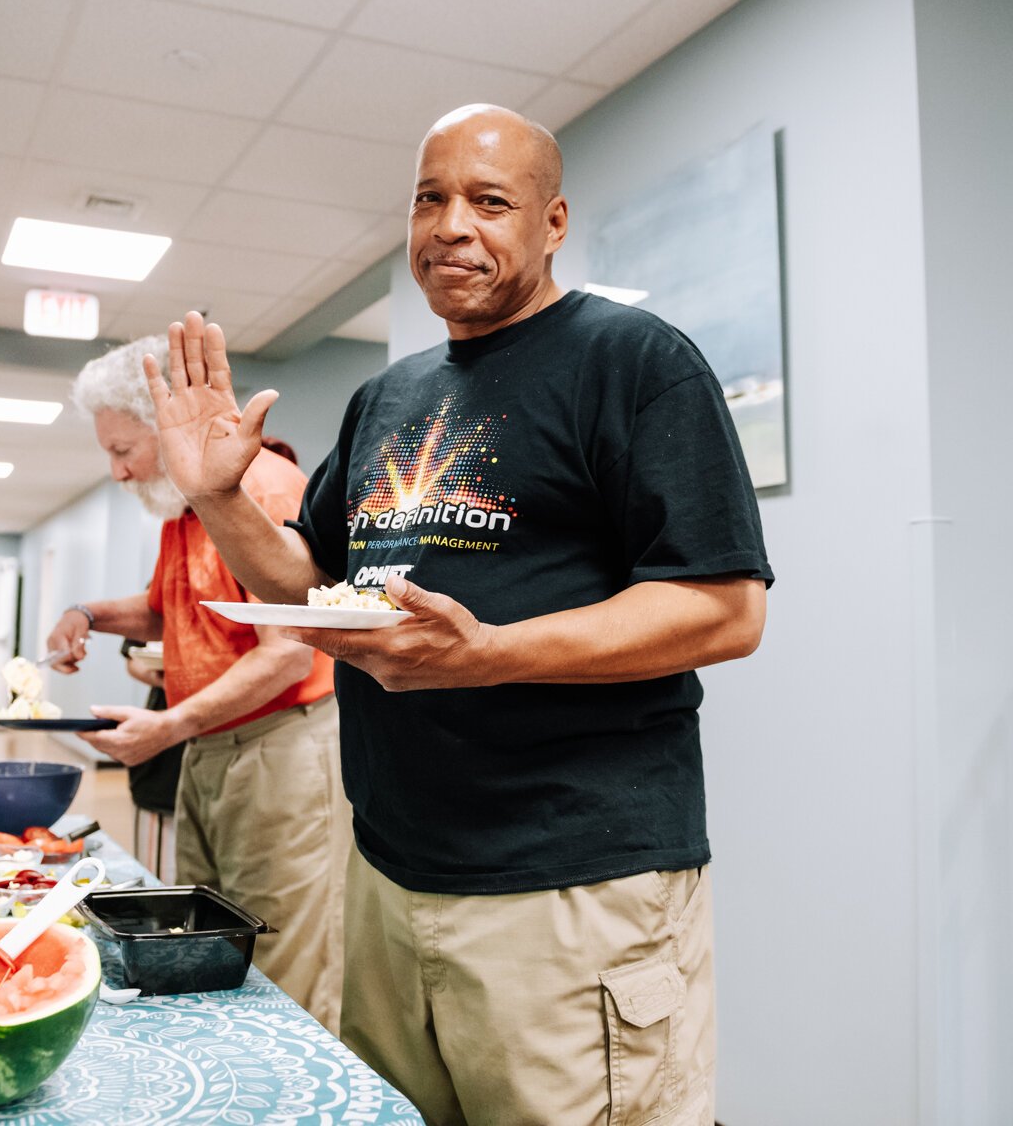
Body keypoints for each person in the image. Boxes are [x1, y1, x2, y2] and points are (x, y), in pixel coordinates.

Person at [141, 104, 772, 1125]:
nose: (451, 226)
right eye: (428, 199)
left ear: (553, 220)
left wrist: (489, 653)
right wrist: (216, 495)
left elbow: (723, 607)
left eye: (488, 200)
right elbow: (313, 588)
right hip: (389, 869)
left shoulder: (635, 360)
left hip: (571, 883)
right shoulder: (388, 395)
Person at [46, 337, 351, 1031]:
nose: (118, 472)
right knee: (209, 929)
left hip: (281, 747)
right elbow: (166, 609)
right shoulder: (185, 506)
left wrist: (167, 727)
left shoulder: (259, 488)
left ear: (165, 426)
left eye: (124, 451)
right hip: (211, 746)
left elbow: (288, 655)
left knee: (276, 945)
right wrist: (87, 613)